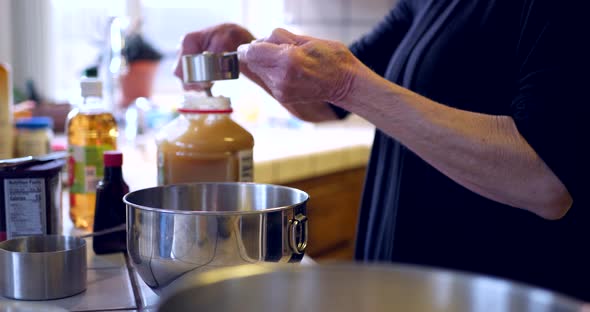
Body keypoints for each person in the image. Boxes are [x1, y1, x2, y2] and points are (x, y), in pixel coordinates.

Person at [175, 0, 589, 301]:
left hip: (497, 295)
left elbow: (546, 182)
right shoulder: (426, 3)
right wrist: (246, 52)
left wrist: (350, 85)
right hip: (410, 291)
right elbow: (326, 102)